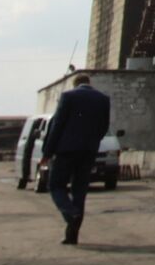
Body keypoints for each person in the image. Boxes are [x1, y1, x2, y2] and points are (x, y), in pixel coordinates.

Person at [41, 73, 110, 245]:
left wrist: (47, 152)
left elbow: (57, 125)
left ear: (75, 84)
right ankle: (72, 235)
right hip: (89, 151)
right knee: (80, 191)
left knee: (56, 185)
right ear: (89, 83)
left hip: (66, 151)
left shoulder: (68, 97)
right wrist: (92, 143)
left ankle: (69, 211)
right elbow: (104, 127)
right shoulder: (103, 99)